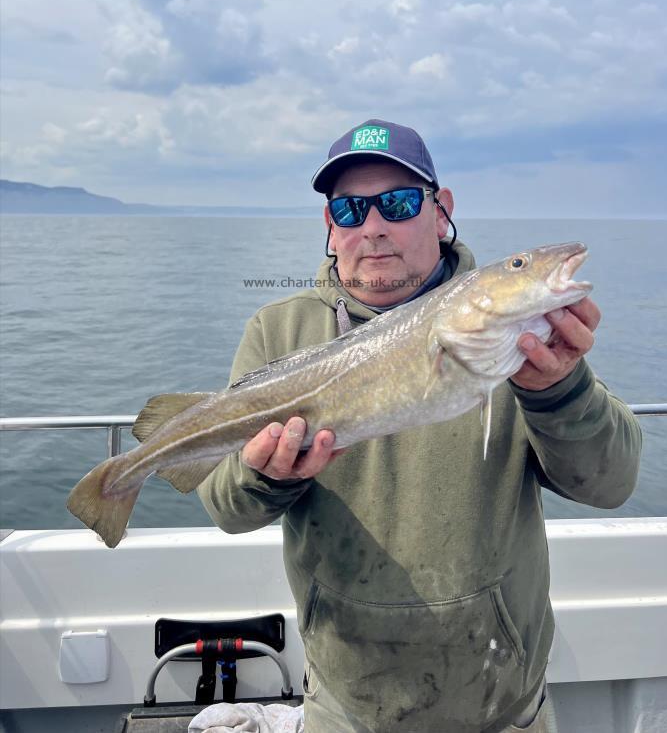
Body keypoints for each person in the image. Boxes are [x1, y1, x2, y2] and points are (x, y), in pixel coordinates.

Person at [198, 119, 642, 733]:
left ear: (441, 212)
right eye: (350, 209)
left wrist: (559, 390)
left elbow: (611, 483)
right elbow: (225, 508)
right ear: (330, 226)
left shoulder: (518, 336)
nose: (373, 226)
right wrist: (265, 478)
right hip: (347, 710)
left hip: (504, 710)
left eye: (400, 203)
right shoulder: (279, 333)